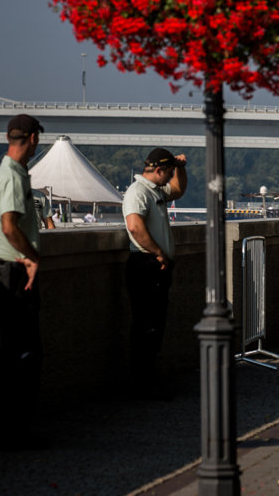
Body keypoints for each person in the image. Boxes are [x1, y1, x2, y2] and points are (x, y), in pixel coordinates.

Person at [0, 114, 45, 446]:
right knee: (24, 352)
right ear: (33, 138)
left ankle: (2, 426)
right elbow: (9, 226)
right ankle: (14, 429)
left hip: (4, 268)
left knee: (14, 351)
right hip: (13, 272)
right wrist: (33, 259)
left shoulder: (5, 173)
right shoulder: (12, 176)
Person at [123, 147, 187, 397]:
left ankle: (150, 379)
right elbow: (135, 226)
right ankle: (142, 382)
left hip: (155, 265)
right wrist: (159, 252)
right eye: (169, 172)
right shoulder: (138, 192)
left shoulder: (157, 190)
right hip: (145, 264)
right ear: (158, 170)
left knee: (155, 324)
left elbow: (179, 190)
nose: (171, 177)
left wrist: (181, 169)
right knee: (145, 325)